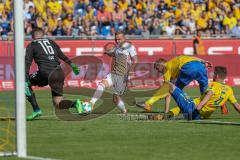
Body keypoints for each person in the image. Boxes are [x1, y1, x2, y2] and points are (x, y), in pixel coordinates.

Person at [138, 66, 240, 120]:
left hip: (194, 109)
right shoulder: (229, 89)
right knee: (179, 107)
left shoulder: (214, 85)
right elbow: (236, 105)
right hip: (202, 116)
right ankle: (162, 117)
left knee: (168, 85)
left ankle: (148, 103)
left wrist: (198, 107)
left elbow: (209, 95)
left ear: (216, 75)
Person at [75, 31, 137, 114]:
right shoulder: (117, 47)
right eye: (116, 39)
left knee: (115, 99)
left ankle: (124, 111)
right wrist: (107, 53)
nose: (117, 41)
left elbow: (135, 60)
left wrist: (130, 72)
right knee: (102, 84)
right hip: (114, 73)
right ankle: (91, 103)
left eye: (119, 39)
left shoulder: (130, 47)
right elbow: (115, 54)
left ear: (124, 38)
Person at [25, 28, 80, 120]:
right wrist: (71, 64)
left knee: (24, 85)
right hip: (59, 73)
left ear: (32, 36)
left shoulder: (32, 45)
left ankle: (36, 110)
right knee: (57, 103)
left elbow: (27, 62)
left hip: (45, 73)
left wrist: (25, 79)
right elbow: (61, 55)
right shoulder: (51, 42)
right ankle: (75, 103)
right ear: (42, 35)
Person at [137, 55, 211, 113]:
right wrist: (204, 62)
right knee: (205, 91)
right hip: (201, 67)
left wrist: (166, 111)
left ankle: (148, 103)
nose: (158, 71)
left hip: (188, 68)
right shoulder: (176, 60)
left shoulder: (166, 69)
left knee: (173, 89)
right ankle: (209, 107)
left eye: (157, 68)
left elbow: (167, 91)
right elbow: (194, 58)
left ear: (160, 66)